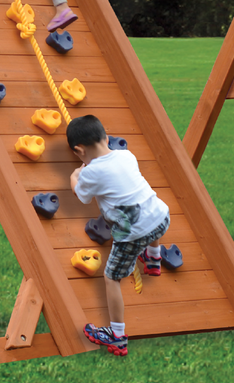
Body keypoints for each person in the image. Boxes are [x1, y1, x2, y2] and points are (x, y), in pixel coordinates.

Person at [66, 114, 169, 356]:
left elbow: (82, 196)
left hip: (133, 234)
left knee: (111, 277)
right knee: (147, 215)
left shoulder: (90, 173)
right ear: (106, 138)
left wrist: (74, 177)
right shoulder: (126, 155)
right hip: (161, 217)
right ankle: (154, 258)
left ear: (79, 150)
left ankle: (117, 336)